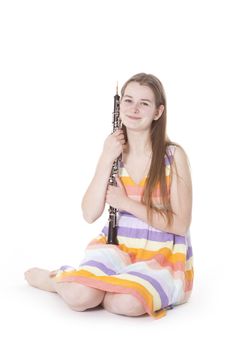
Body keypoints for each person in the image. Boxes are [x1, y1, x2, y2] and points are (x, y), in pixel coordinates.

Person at [24, 72, 193, 319]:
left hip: (162, 253)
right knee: (80, 298)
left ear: (158, 112)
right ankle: (56, 280)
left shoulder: (173, 156)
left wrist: (126, 204)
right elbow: (89, 213)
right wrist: (105, 157)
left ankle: (109, 285)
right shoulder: (113, 153)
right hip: (117, 246)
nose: (134, 109)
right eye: (128, 100)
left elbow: (180, 224)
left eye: (144, 103)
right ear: (120, 103)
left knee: (126, 304)